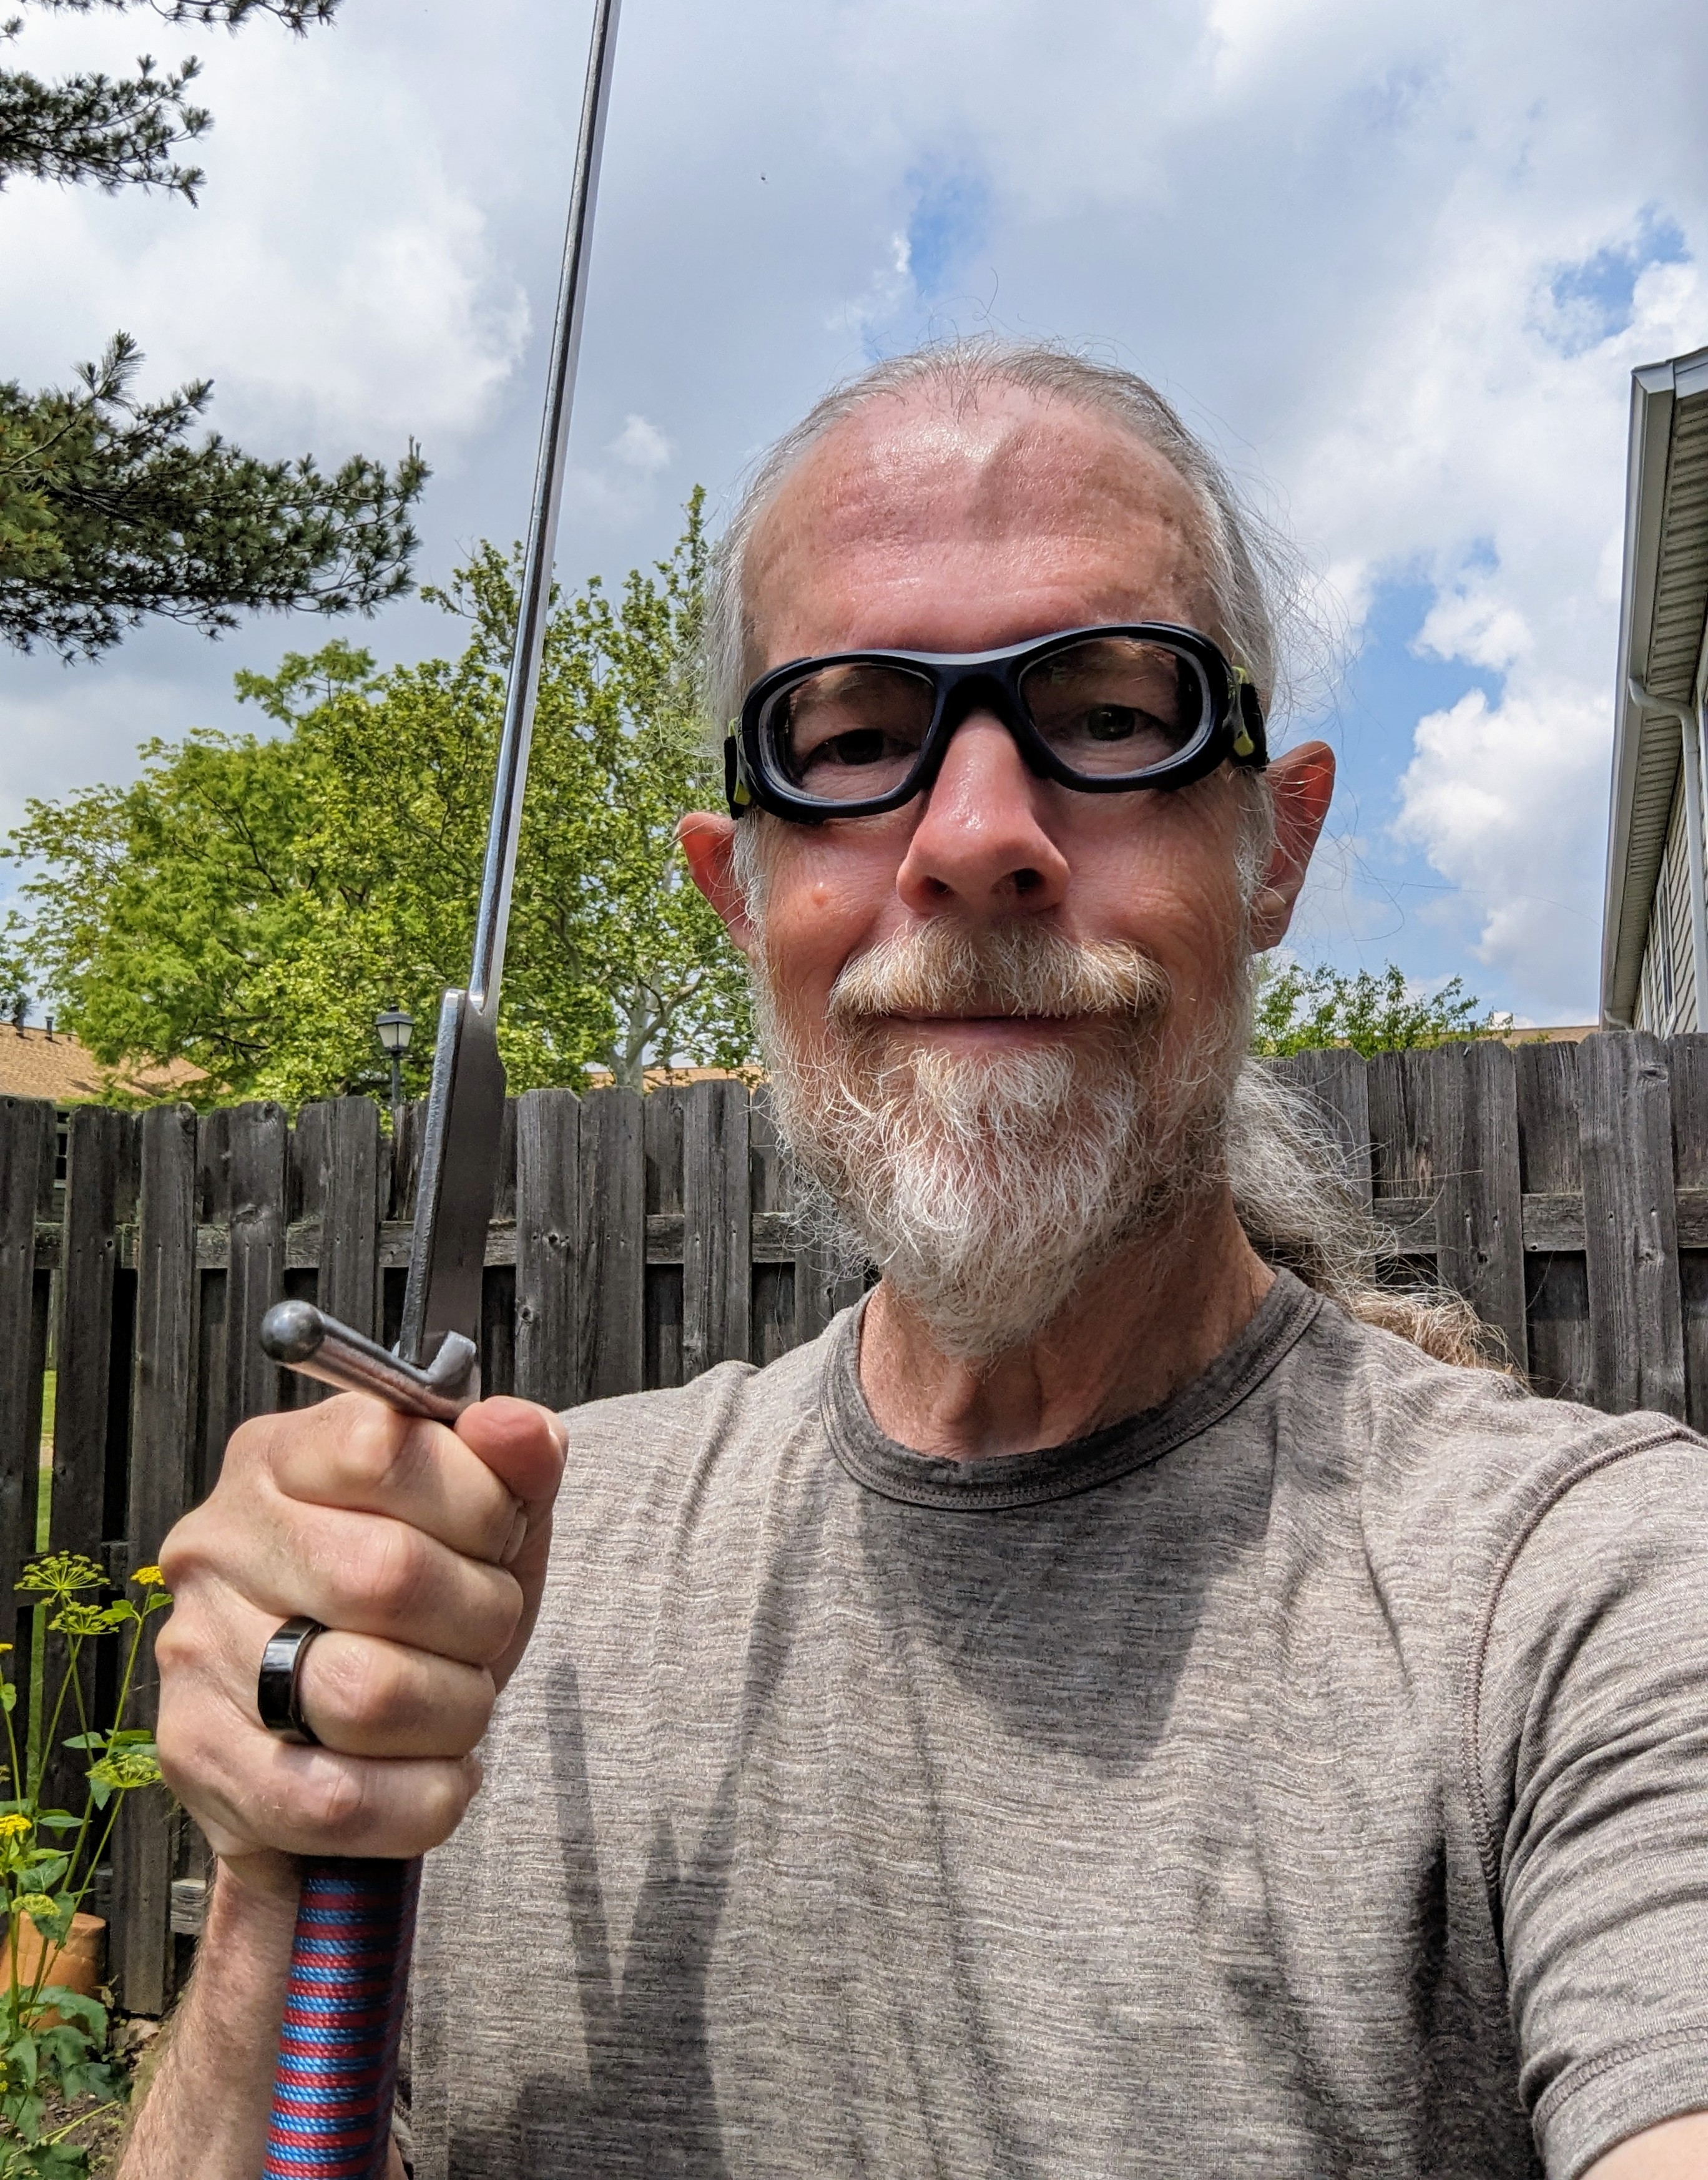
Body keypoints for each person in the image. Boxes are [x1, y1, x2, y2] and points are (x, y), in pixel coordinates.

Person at [122, 343, 1708, 2180]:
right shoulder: (493, 1587)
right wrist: (279, 1870)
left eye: (1112, 714)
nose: (974, 840)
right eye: (856, 738)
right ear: (739, 898)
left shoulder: (1586, 1593)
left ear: (1274, 850)